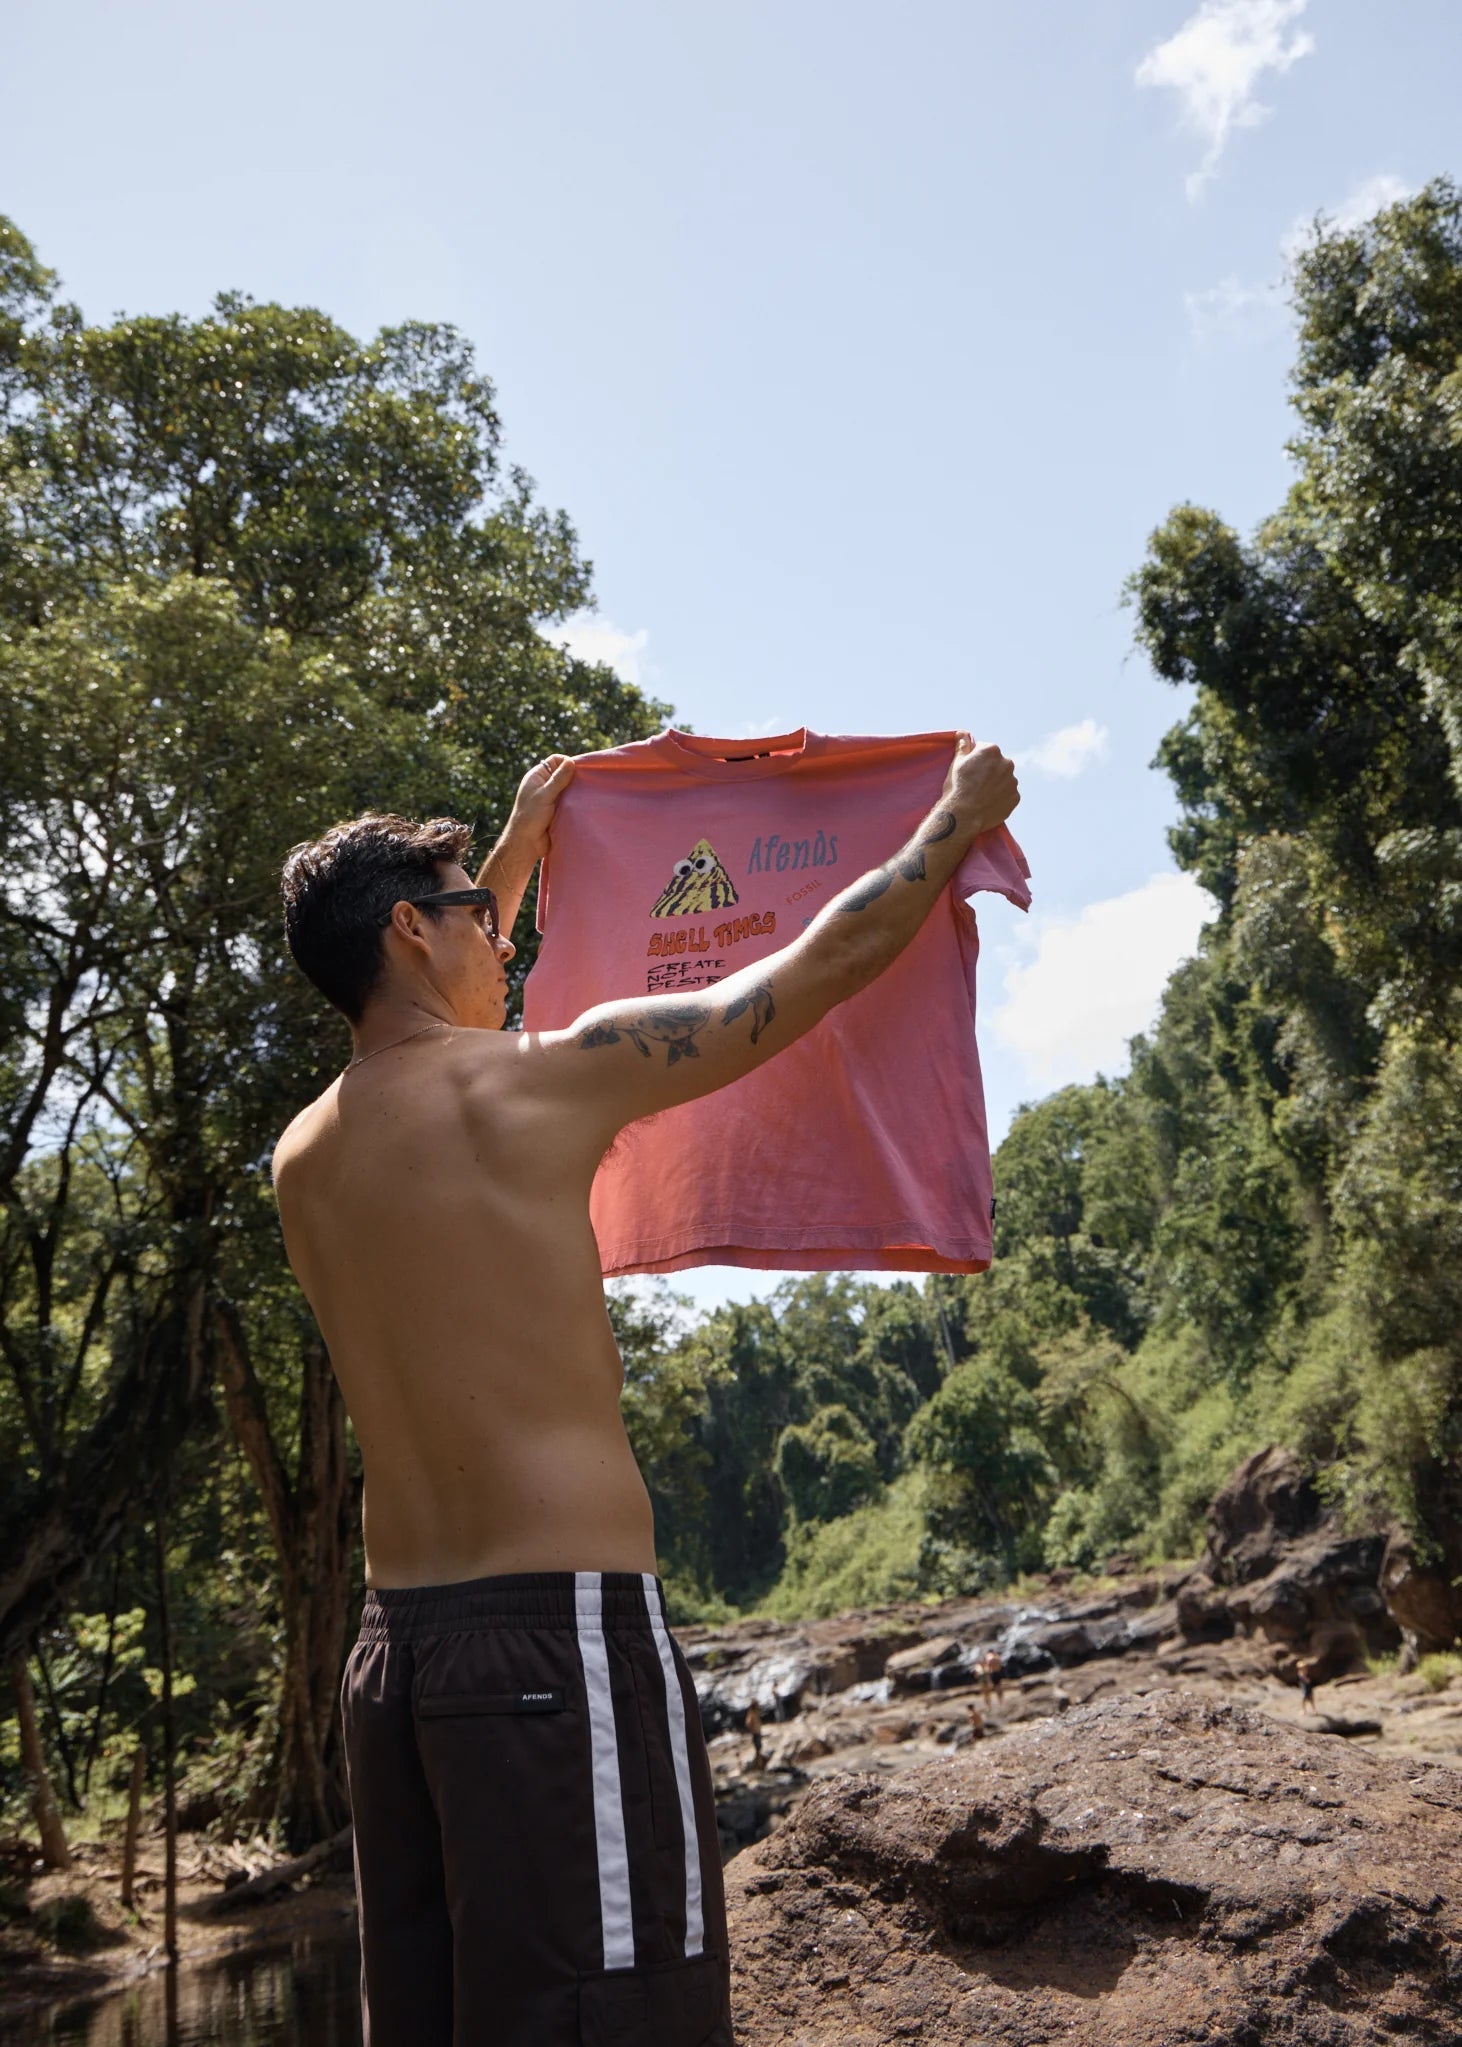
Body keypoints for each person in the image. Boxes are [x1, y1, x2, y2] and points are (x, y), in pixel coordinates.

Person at [272, 732, 1020, 2047]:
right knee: (624, 2014)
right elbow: (816, 970)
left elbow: (436, 1002)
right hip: (558, 1641)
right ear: (407, 929)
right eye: (476, 915)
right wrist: (951, 825)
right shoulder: (537, 1083)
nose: (500, 938)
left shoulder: (305, 1155)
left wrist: (509, 840)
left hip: (398, 1662)